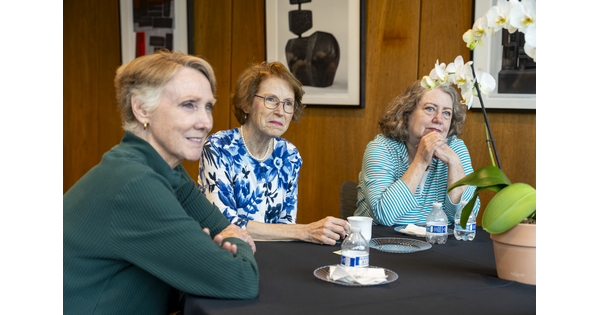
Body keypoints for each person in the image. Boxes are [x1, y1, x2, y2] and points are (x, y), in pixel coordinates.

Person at [63, 51, 259, 315]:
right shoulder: (135, 183)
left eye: (208, 106)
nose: (206, 122)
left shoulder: (167, 171)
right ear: (142, 108)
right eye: (189, 104)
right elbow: (241, 278)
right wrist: (239, 243)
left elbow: (220, 230)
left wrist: (218, 245)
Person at [198, 61, 349, 245]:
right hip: (230, 254)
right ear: (246, 103)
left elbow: (286, 224)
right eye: (271, 100)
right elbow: (224, 224)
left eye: (288, 103)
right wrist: (305, 230)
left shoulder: (289, 155)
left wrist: (297, 232)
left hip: (275, 254)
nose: (280, 112)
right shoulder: (219, 147)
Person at [354, 80, 480, 226]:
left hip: (437, 242)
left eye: (446, 113)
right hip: (382, 242)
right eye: (430, 109)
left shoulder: (455, 149)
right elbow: (385, 216)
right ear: (407, 112)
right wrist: (421, 161)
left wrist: (455, 163)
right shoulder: (381, 148)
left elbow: (466, 218)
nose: (438, 119)